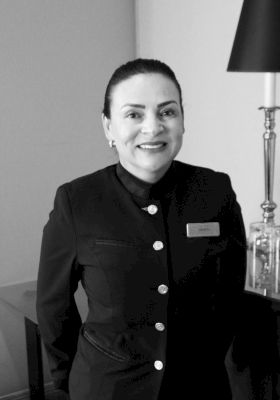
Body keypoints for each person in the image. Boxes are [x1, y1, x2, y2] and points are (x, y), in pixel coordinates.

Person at [36, 58, 247, 400]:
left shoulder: (215, 191)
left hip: (198, 386)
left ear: (182, 120)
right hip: (107, 387)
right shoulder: (77, 201)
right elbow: (53, 307)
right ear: (108, 127)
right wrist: (66, 382)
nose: (153, 127)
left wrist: (206, 360)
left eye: (167, 112)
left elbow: (229, 295)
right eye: (134, 114)